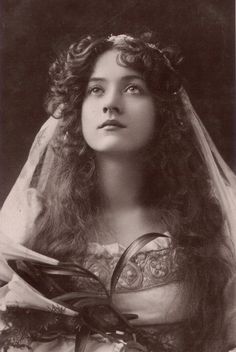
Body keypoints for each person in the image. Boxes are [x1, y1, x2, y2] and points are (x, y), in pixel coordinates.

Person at [0, 33, 235, 352]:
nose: (111, 103)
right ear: (77, 110)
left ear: (161, 110)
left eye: (133, 88)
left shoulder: (212, 223)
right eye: (96, 90)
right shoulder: (33, 220)